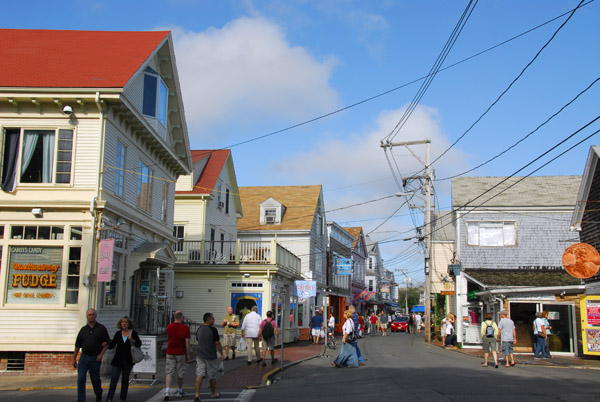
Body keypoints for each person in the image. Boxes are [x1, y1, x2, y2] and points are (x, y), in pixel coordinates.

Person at [73, 308, 110, 402]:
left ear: (95, 316)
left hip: (95, 358)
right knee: (81, 379)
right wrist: (74, 359)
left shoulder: (101, 329)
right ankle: (81, 400)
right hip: (84, 357)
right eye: (89, 315)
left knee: (95, 380)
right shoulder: (83, 330)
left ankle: (98, 393)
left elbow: (107, 344)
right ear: (87, 316)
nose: (91, 317)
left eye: (93, 315)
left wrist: (101, 355)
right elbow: (77, 345)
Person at [106, 316, 142, 402]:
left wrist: (132, 340)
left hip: (128, 360)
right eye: (122, 322)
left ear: (129, 324)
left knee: (125, 380)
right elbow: (112, 345)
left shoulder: (133, 333)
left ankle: (122, 398)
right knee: (114, 379)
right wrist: (105, 344)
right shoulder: (118, 333)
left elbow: (139, 344)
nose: (124, 324)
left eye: (125, 322)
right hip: (117, 360)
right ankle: (109, 398)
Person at [194, 312, 224, 401]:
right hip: (211, 355)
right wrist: (221, 353)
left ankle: (196, 394)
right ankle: (213, 393)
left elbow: (197, 339)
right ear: (209, 320)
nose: (214, 320)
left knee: (199, 373)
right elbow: (217, 343)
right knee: (212, 375)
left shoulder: (199, 329)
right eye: (213, 319)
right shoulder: (213, 330)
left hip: (200, 355)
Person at [164, 311, 191, 401]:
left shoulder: (169, 327)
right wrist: (188, 354)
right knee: (180, 372)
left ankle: (167, 391)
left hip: (170, 351)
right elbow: (187, 342)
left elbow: (169, 338)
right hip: (181, 352)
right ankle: (180, 390)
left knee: (169, 372)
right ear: (181, 318)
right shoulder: (185, 328)